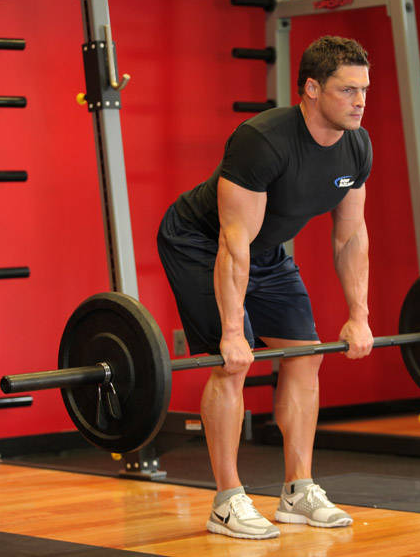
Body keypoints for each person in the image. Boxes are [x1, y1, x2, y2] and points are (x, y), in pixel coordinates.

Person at [157, 35, 374, 540]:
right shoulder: (263, 140)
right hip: (199, 242)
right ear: (312, 89)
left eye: (364, 90)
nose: (360, 101)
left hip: (268, 251)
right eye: (347, 90)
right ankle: (228, 500)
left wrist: (358, 314)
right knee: (230, 364)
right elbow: (232, 242)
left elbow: (350, 237)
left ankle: (298, 491)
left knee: (306, 354)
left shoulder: (356, 145)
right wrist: (233, 332)